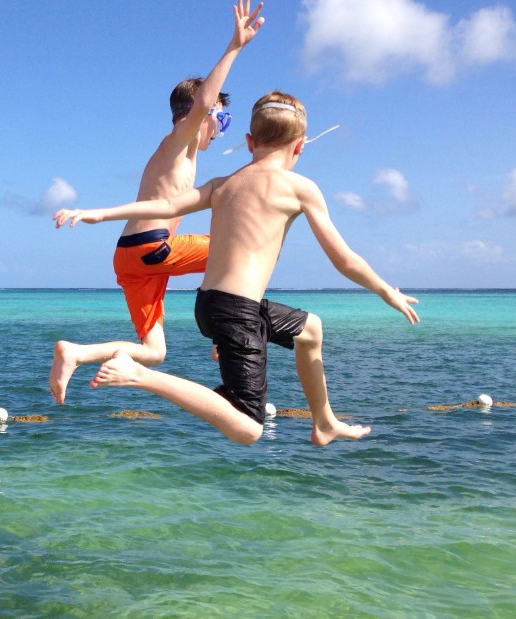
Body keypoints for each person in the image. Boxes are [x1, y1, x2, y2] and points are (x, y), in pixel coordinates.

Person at [53, 91, 420, 446]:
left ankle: (324, 423)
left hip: (213, 305)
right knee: (248, 428)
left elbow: (164, 206)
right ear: (300, 146)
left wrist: (98, 213)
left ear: (248, 141)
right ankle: (140, 375)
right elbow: (344, 259)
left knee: (311, 330)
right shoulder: (300, 188)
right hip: (237, 313)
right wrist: (386, 290)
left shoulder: (222, 184)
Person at [49, 0, 266, 405]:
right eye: (222, 120)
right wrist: (234, 47)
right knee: (243, 251)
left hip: (132, 259)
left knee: (155, 352)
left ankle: (74, 353)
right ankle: (229, 335)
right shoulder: (178, 144)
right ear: (199, 116)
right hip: (152, 249)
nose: (222, 131)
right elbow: (203, 103)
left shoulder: (182, 154)